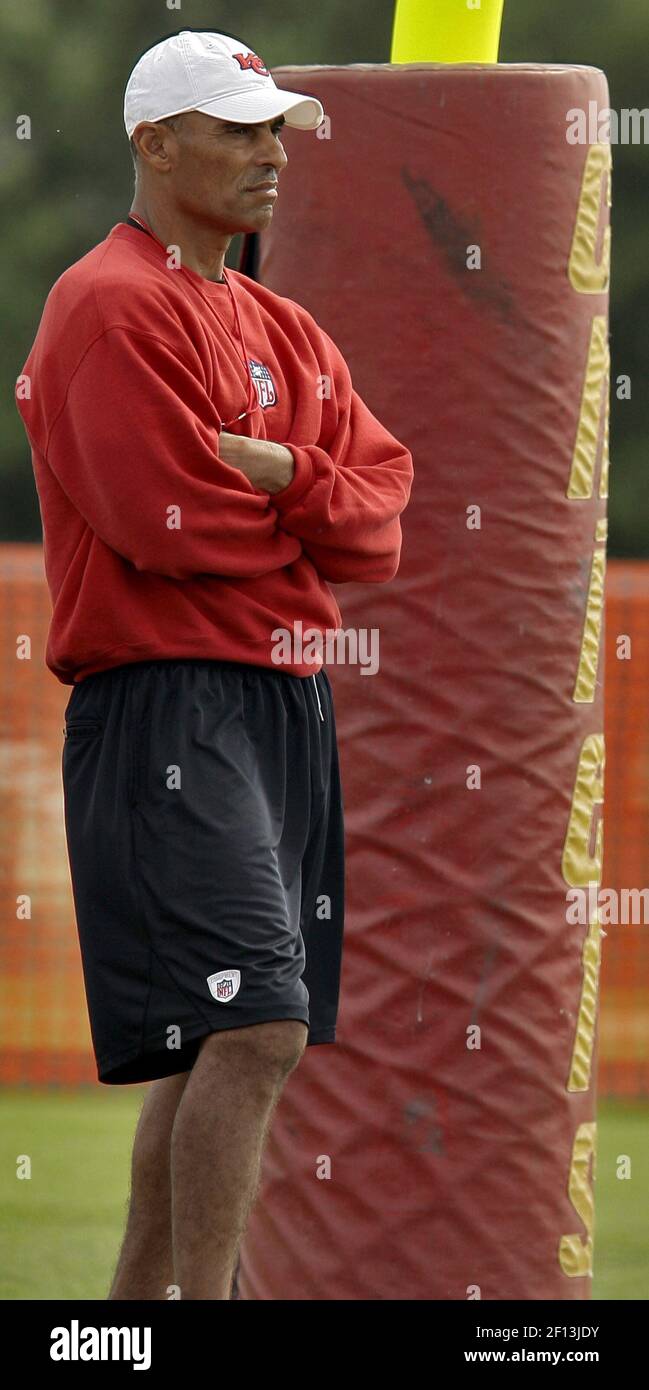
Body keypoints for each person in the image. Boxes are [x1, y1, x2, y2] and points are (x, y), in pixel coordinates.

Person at [15, 29, 414, 1300]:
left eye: (275, 126)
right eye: (237, 127)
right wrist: (314, 522)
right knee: (257, 1024)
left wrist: (293, 476)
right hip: (169, 703)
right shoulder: (106, 303)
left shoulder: (282, 323)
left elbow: (386, 518)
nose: (270, 153)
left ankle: (128, 1332)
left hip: (284, 699)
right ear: (153, 141)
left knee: (208, 1046)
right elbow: (165, 522)